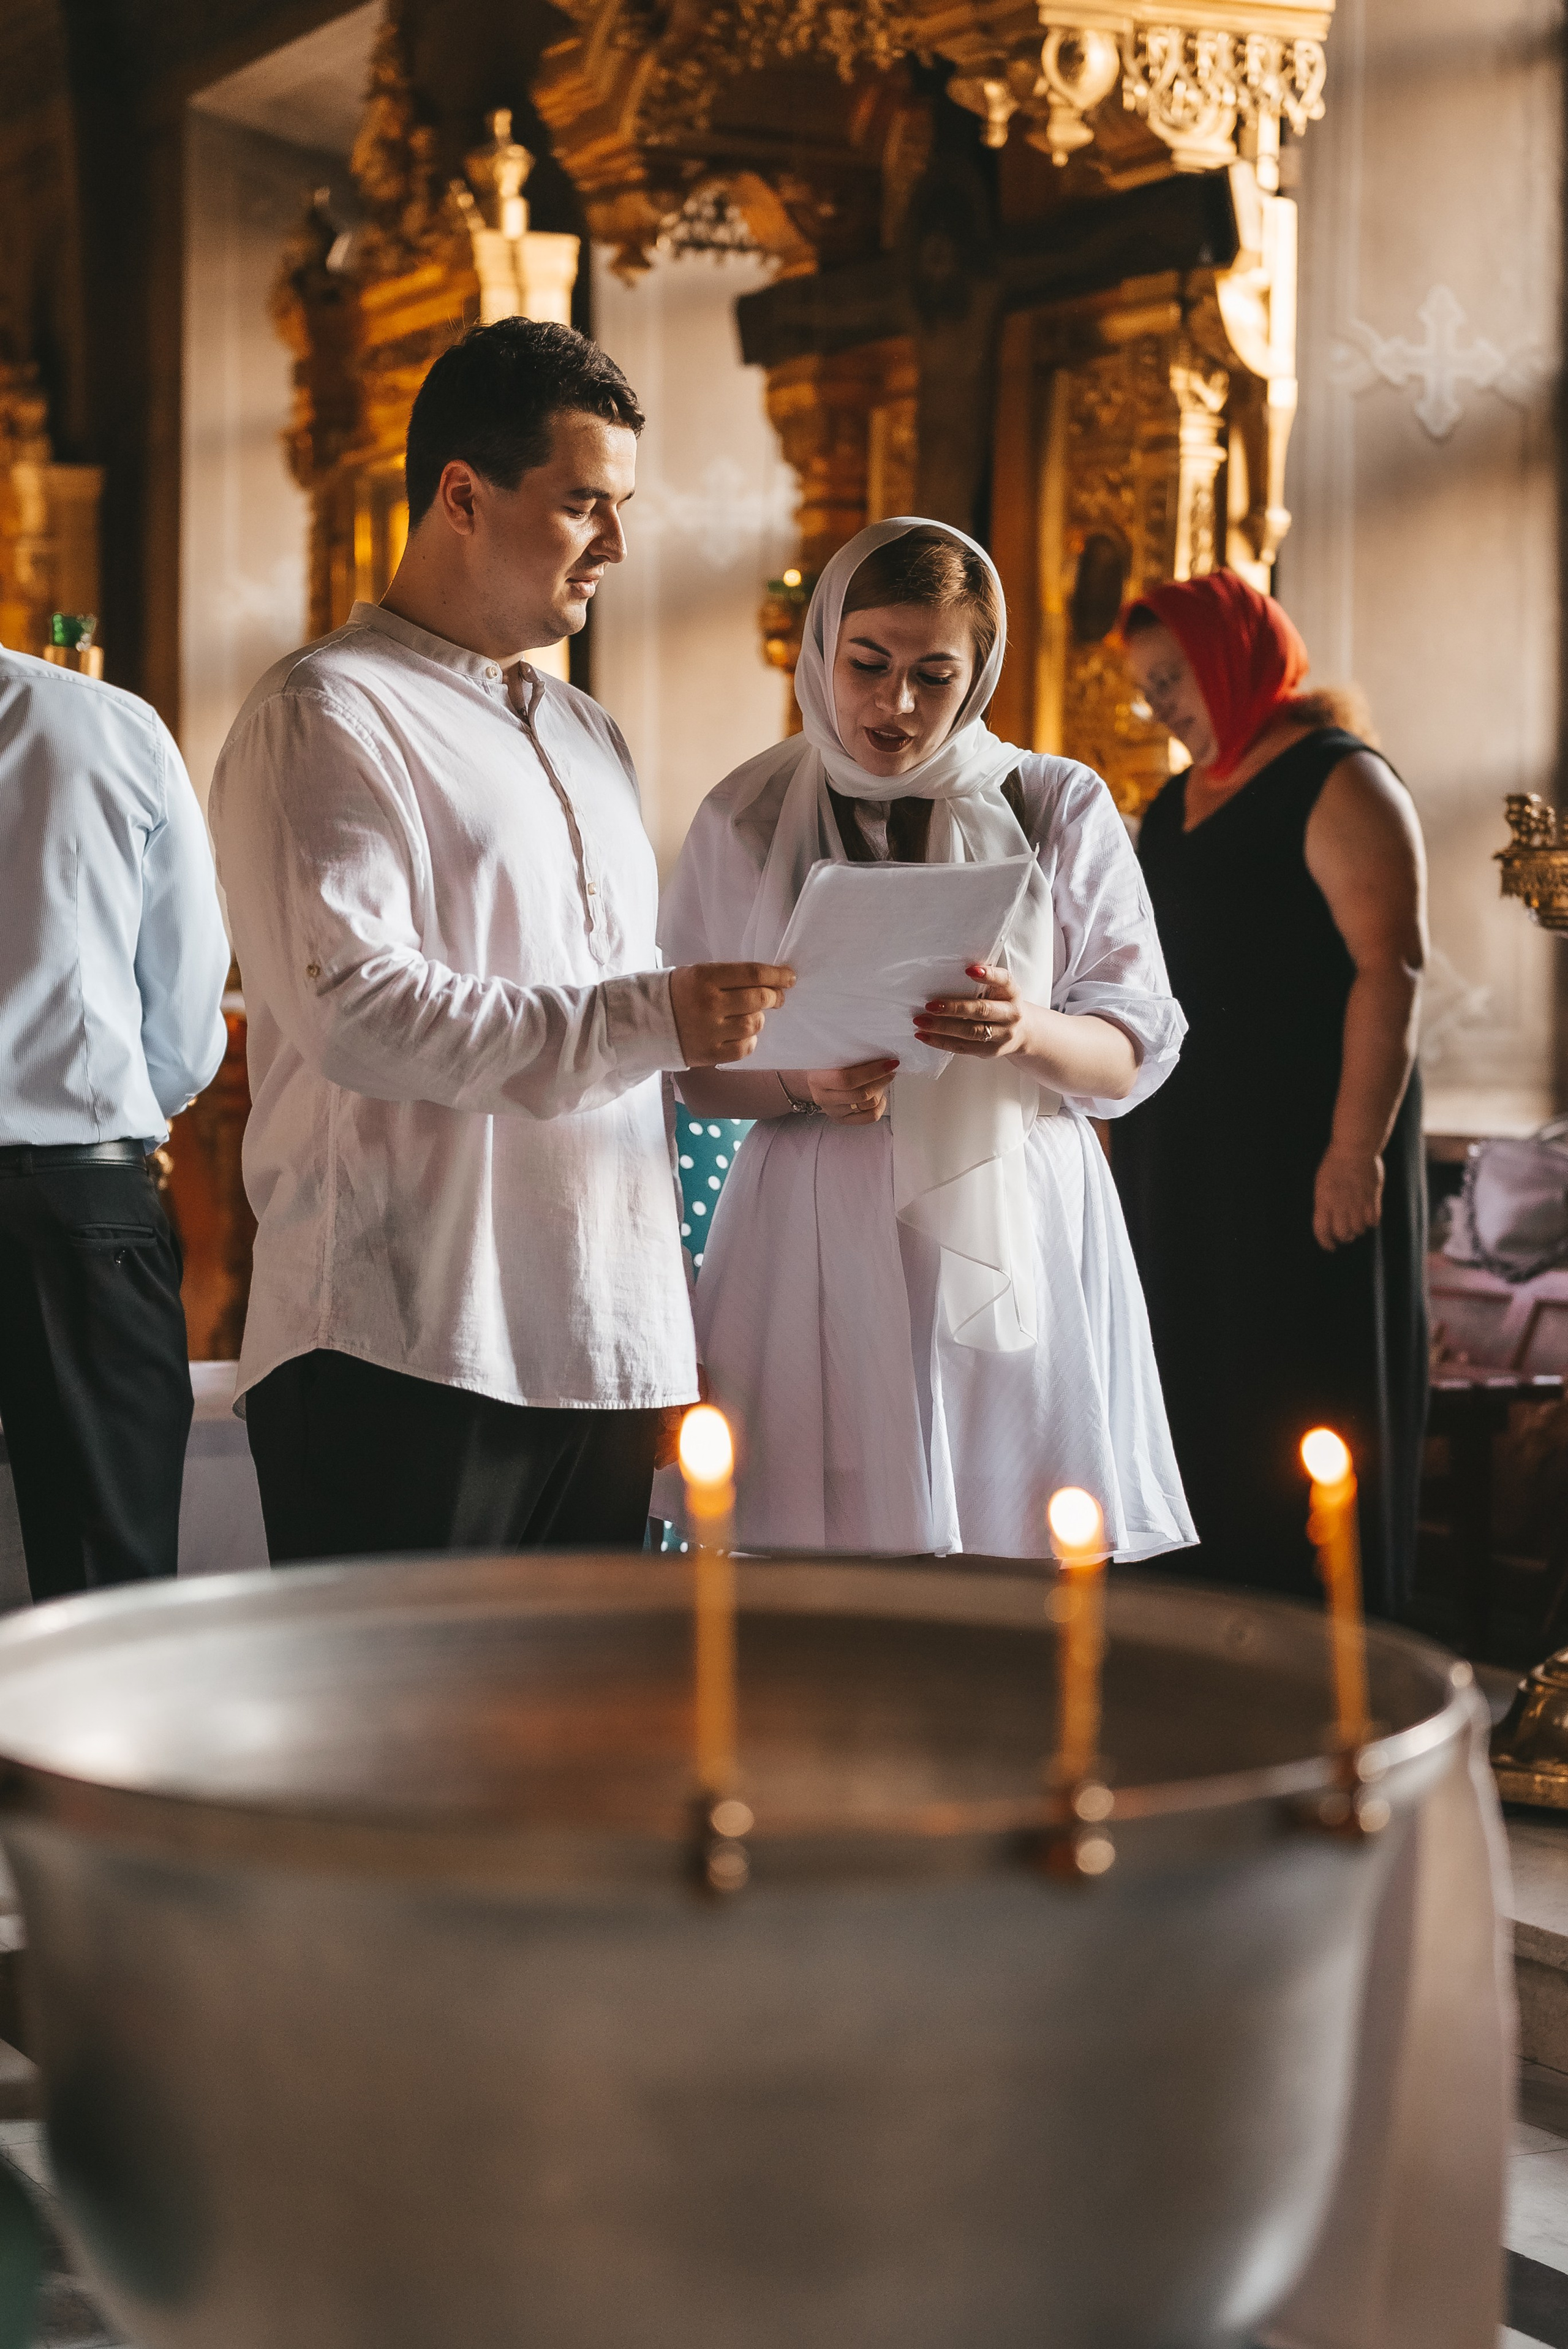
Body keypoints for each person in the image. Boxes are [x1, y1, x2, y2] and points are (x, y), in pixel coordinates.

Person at [209, 319, 791, 1565]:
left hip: (606, 1335)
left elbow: (632, 1033)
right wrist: (657, 1015)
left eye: (620, 505)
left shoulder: (592, 734)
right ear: (462, 495)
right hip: (403, 1339)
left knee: (575, 1758)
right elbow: (357, 1012)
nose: (618, 544)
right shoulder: (326, 711)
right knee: (389, 1756)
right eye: (584, 502)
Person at [655, 519, 1194, 1560]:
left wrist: (1025, 1030)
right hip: (815, 1214)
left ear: (980, 670)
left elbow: (1129, 1053)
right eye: (869, 664)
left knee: (1018, 1543)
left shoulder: (1056, 802)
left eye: (933, 674)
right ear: (824, 650)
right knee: (827, 1561)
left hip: (1010, 1205)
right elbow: (696, 1070)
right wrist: (807, 1084)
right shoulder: (746, 815)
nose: (895, 704)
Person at [1112, 569, 1428, 1617]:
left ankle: (1322, 1655)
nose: (1159, 703)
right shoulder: (1169, 801)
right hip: (1188, 1153)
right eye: (1147, 686)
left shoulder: (1340, 778)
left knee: (1297, 1388)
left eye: (1173, 676)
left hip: (1306, 1150)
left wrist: (1354, 1150)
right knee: (1193, 1384)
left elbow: (1393, 965)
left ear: (1235, 653)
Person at [0, 639, 229, 1600]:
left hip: (82, 1202)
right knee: (107, 1600)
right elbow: (182, 1010)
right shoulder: (104, 724)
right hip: (79, 1200)